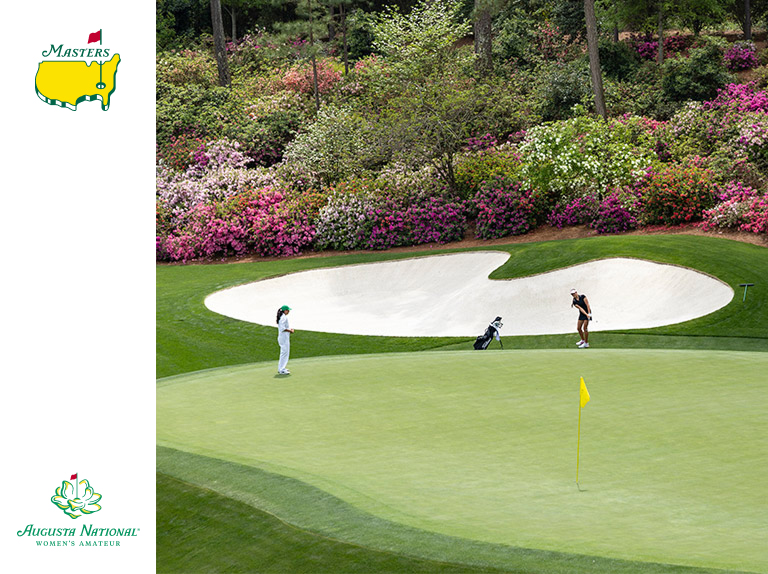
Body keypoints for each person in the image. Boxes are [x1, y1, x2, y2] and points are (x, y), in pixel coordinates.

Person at [276, 305, 294, 374]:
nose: (288, 311)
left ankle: (282, 368)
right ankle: (281, 369)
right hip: (283, 338)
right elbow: (282, 328)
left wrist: (289, 329)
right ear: (285, 310)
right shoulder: (283, 318)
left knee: (285, 353)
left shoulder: (283, 317)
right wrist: (290, 331)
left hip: (284, 337)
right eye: (288, 310)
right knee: (284, 353)